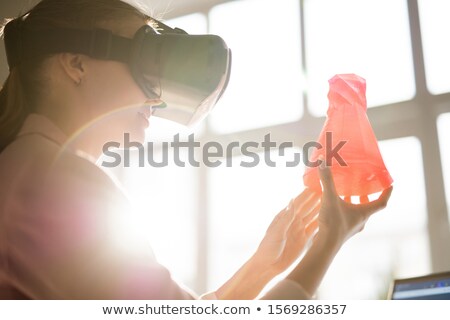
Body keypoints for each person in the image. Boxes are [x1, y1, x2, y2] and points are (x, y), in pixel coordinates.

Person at [0, 0, 393, 300]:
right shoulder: (59, 180)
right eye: (147, 62)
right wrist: (329, 240)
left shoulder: (27, 166)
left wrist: (263, 266)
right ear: (76, 64)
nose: (156, 98)